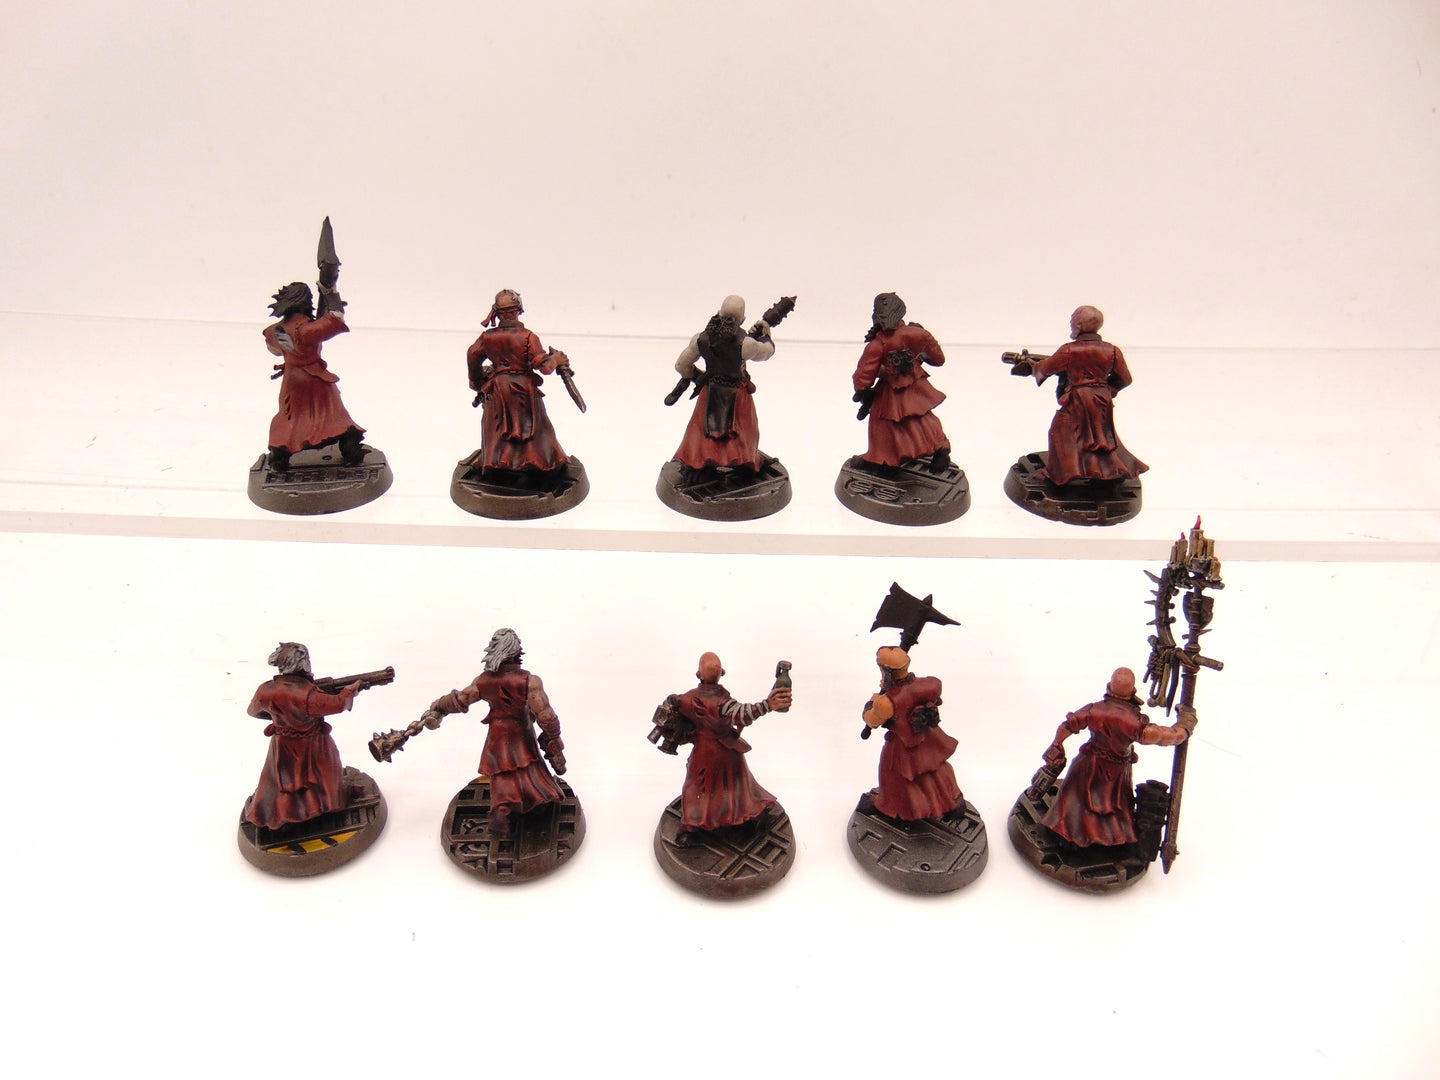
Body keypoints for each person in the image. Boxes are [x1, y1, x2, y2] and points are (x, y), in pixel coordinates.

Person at [423, 628, 567, 836]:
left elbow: (462, 699)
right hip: (520, 733)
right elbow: (545, 714)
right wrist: (554, 737)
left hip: (498, 735)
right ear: (516, 652)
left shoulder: (483, 681)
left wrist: (440, 705)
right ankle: (510, 808)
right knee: (527, 768)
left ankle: (512, 806)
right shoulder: (529, 681)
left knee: (503, 771)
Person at [1040, 667, 1195, 847]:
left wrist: (1057, 744)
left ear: (1109, 687)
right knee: (1104, 806)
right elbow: (1169, 737)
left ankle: (1079, 838)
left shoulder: (1094, 710)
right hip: (1115, 773)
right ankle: (1082, 839)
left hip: (1088, 766)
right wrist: (1186, 722)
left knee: (1077, 803)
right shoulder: (1136, 724)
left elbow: (1067, 726)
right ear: (1132, 691)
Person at [667, 652, 790, 844]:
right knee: (735, 789)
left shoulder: (687, 698)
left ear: (698, 674)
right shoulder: (724, 702)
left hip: (703, 755)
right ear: (722, 673)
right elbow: (744, 714)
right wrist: (767, 705)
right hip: (728, 754)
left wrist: (672, 700)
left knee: (696, 788)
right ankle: (734, 820)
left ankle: (691, 827)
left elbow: (673, 703)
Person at [245, 642, 360, 829]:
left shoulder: (265, 690)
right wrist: (348, 692)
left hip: (281, 743)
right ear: (302, 663)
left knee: (279, 781)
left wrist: (280, 720)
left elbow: (253, 711)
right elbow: (338, 704)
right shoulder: (308, 695)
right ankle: (324, 808)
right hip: (314, 744)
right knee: (323, 774)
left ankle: (280, 812)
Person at [1032, 306, 1147, 485]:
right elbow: (1125, 379)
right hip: (1101, 401)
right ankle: (1103, 472)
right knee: (1100, 437)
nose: (1070, 323)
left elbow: (1045, 369)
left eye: (1073, 320)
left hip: (1078, 400)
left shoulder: (1069, 350)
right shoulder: (1112, 350)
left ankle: (1057, 474)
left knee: (1061, 431)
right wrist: (1108, 389)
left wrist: (1034, 367)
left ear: (1079, 325)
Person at [466, 290, 572, 477]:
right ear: (518, 310)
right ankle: (537, 463)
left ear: (497, 312)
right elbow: (545, 367)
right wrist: (557, 359)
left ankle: (497, 463)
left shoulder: (487, 337)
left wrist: (477, 381)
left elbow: (472, 354)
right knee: (535, 431)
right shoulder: (528, 337)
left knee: (496, 428)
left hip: (496, 390)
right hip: (523, 389)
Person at [263, 281, 365, 471]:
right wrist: (331, 294)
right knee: (333, 418)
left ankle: (279, 453)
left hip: (292, 380)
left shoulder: (275, 330)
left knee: (290, 417)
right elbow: (335, 319)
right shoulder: (305, 330)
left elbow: (274, 349)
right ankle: (350, 449)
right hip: (315, 381)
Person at [670, 295, 775, 475]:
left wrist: (697, 377)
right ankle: (742, 463)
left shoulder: (700, 339)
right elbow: (766, 352)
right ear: (743, 319)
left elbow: (681, 365)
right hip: (738, 396)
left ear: (719, 313)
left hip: (709, 392)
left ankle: (701, 465)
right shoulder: (747, 344)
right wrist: (766, 337)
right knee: (743, 433)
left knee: (703, 433)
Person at [862, 646, 965, 821]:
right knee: (935, 770)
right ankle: (953, 801)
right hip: (931, 739)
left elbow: (872, 720)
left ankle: (889, 807)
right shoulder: (932, 684)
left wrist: (871, 704)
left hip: (903, 745)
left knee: (892, 775)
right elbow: (932, 698)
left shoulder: (886, 702)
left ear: (886, 671)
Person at [851, 293, 951, 471]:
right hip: (917, 386)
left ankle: (880, 460)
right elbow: (938, 359)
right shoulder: (919, 335)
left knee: (882, 424)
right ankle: (940, 446)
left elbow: (865, 373)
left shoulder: (878, 344)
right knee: (922, 418)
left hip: (889, 392)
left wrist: (862, 390)